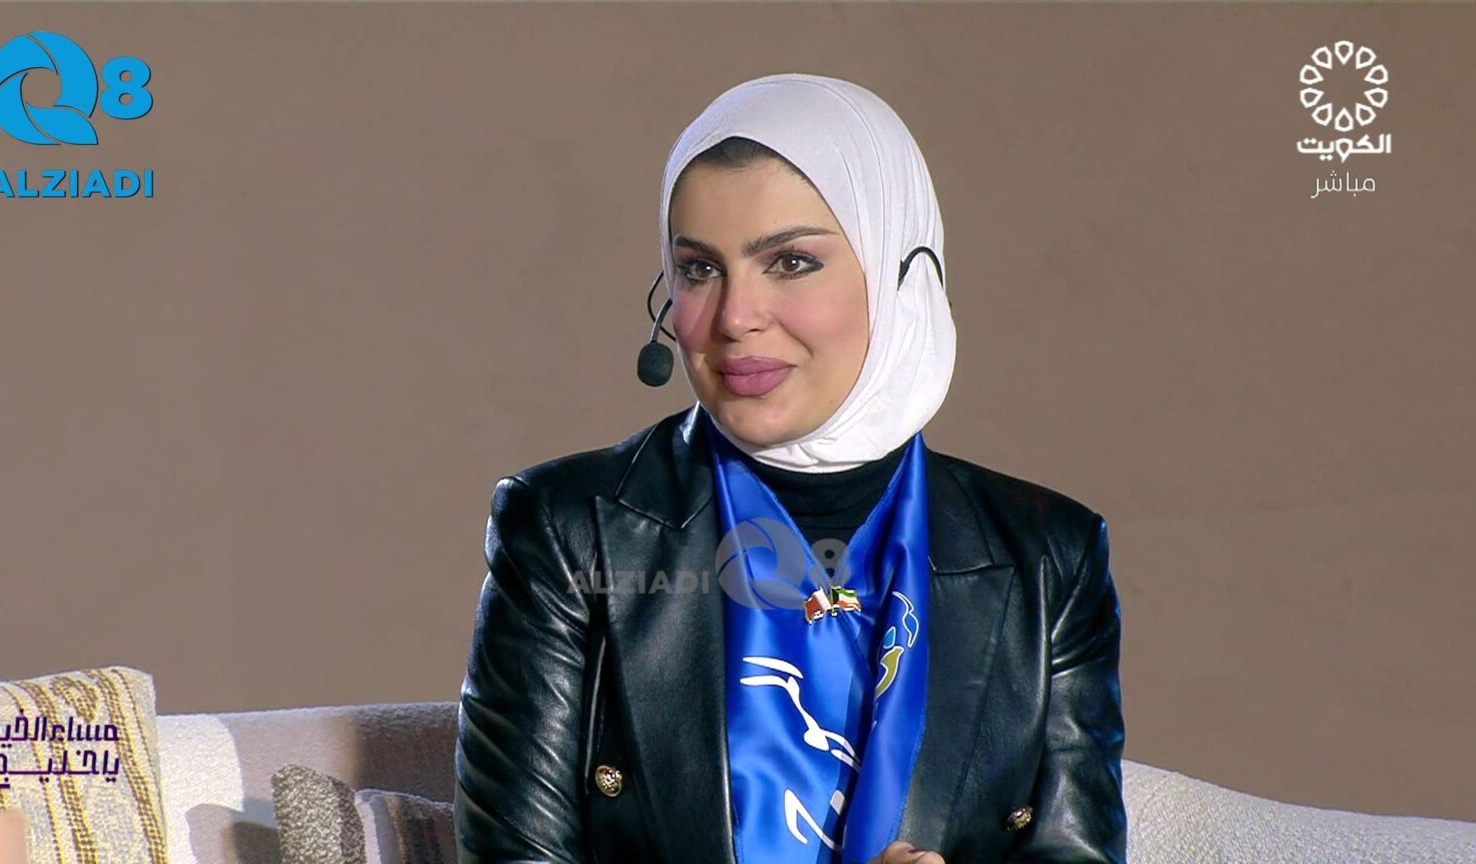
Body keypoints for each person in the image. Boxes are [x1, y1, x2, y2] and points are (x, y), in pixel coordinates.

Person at [454, 72, 1126, 864]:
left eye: (791, 262)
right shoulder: (565, 530)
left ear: (901, 275)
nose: (735, 317)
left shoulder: (1050, 558)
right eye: (699, 269)